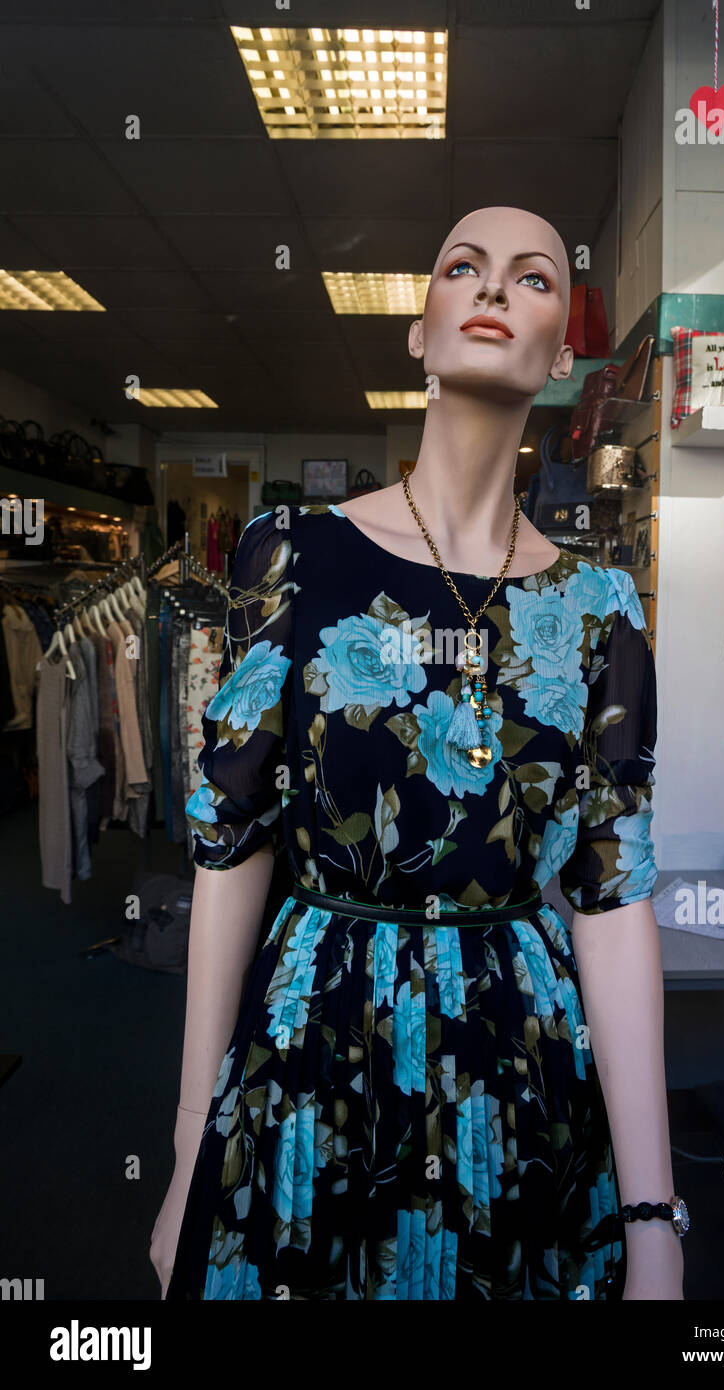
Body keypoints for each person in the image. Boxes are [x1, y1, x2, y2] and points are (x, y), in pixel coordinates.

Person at [151, 205, 685, 1300]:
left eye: (533, 278)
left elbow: (611, 890)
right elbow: (234, 845)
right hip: (314, 1051)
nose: (493, 288)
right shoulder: (292, 554)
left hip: (516, 1067)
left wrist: (653, 1217)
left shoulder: (599, 608)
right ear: (421, 329)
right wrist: (187, 1145)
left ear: (562, 350)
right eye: (463, 267)